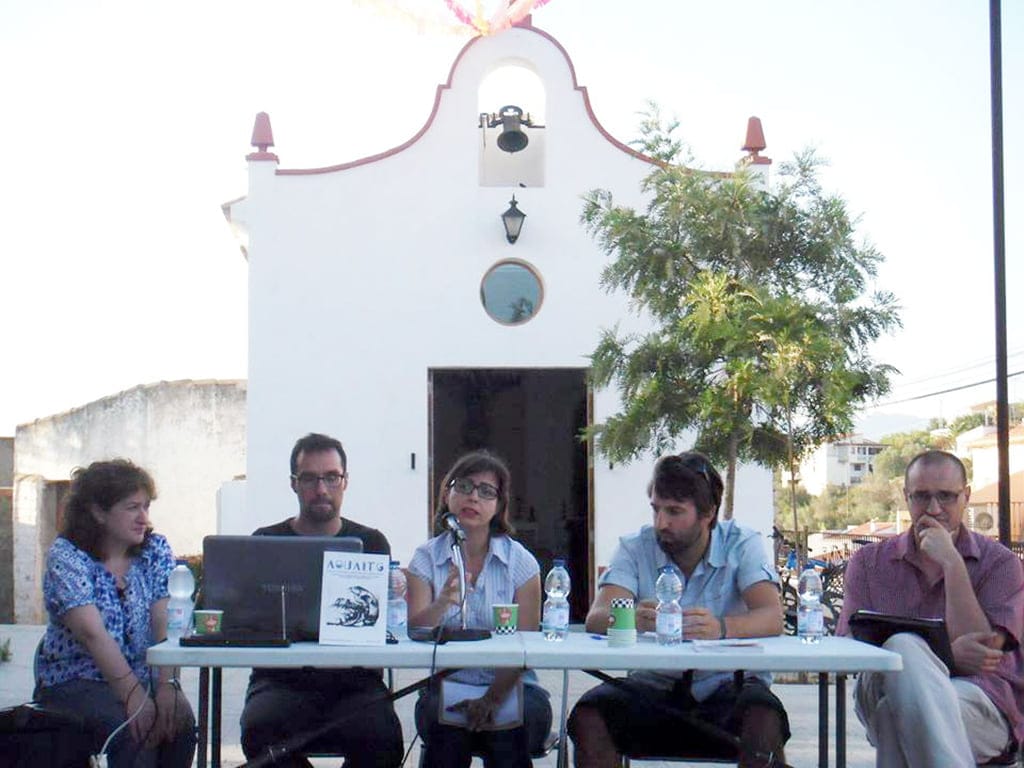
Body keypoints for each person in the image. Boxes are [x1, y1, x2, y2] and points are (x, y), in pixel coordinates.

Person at [568, 452, 789, 768]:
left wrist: (722, 628)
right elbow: (597, 618)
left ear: (709, 513)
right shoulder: (635, 546)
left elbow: (772, 615)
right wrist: (633, 618)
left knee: (764, 718)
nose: (661, 523)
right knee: (589, 717)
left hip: (730, 685)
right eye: (656, 510)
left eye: (674, 512)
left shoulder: (742, 543)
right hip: (651, 687)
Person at [837, 449, 1024, 766]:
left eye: (946, 497)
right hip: (879, 687)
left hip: (979, 702)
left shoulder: (1001, 564)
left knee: (892, 716)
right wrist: (946, 655)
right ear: (906, 496)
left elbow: (982, 656)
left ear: (965, 496)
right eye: (922, 496)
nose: (934, 508)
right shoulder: (868, 563)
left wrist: (952, 563)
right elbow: (848, 650)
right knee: (904, 646)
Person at [239, 433, 403, 768]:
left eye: (331, 477)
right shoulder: (265, 542)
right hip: (280, 681)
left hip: (355, 683)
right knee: (260, 732)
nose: (322, 488)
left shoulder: (371, 542)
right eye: (310, 478)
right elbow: (247, 620)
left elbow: (385, 625)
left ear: (346, 481)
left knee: (382, 736)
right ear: (293, 484)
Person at [34, 459, 196, 768]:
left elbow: (166, 619)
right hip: (76, 679)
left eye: (146, 507)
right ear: (98, 512)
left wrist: (167, 686)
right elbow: (92, 634)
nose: (144, 518)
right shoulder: (67, 556)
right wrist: (133, 696)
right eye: (132, 507)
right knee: (135, 730)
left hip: (142, 674)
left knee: (181, 724)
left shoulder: (155, 550)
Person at [407, 450, 553, 768]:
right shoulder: (425, 559)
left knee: (509, 733)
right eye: (464, 486)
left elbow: (524, 647)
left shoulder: (521, 563)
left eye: (486, 491)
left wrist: (491, 699)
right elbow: (415, 630)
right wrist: (442, 602)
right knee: (445, 732)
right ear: (447, 493)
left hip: (514, 687)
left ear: (499, 505)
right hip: (448, 684)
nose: (473, 497)